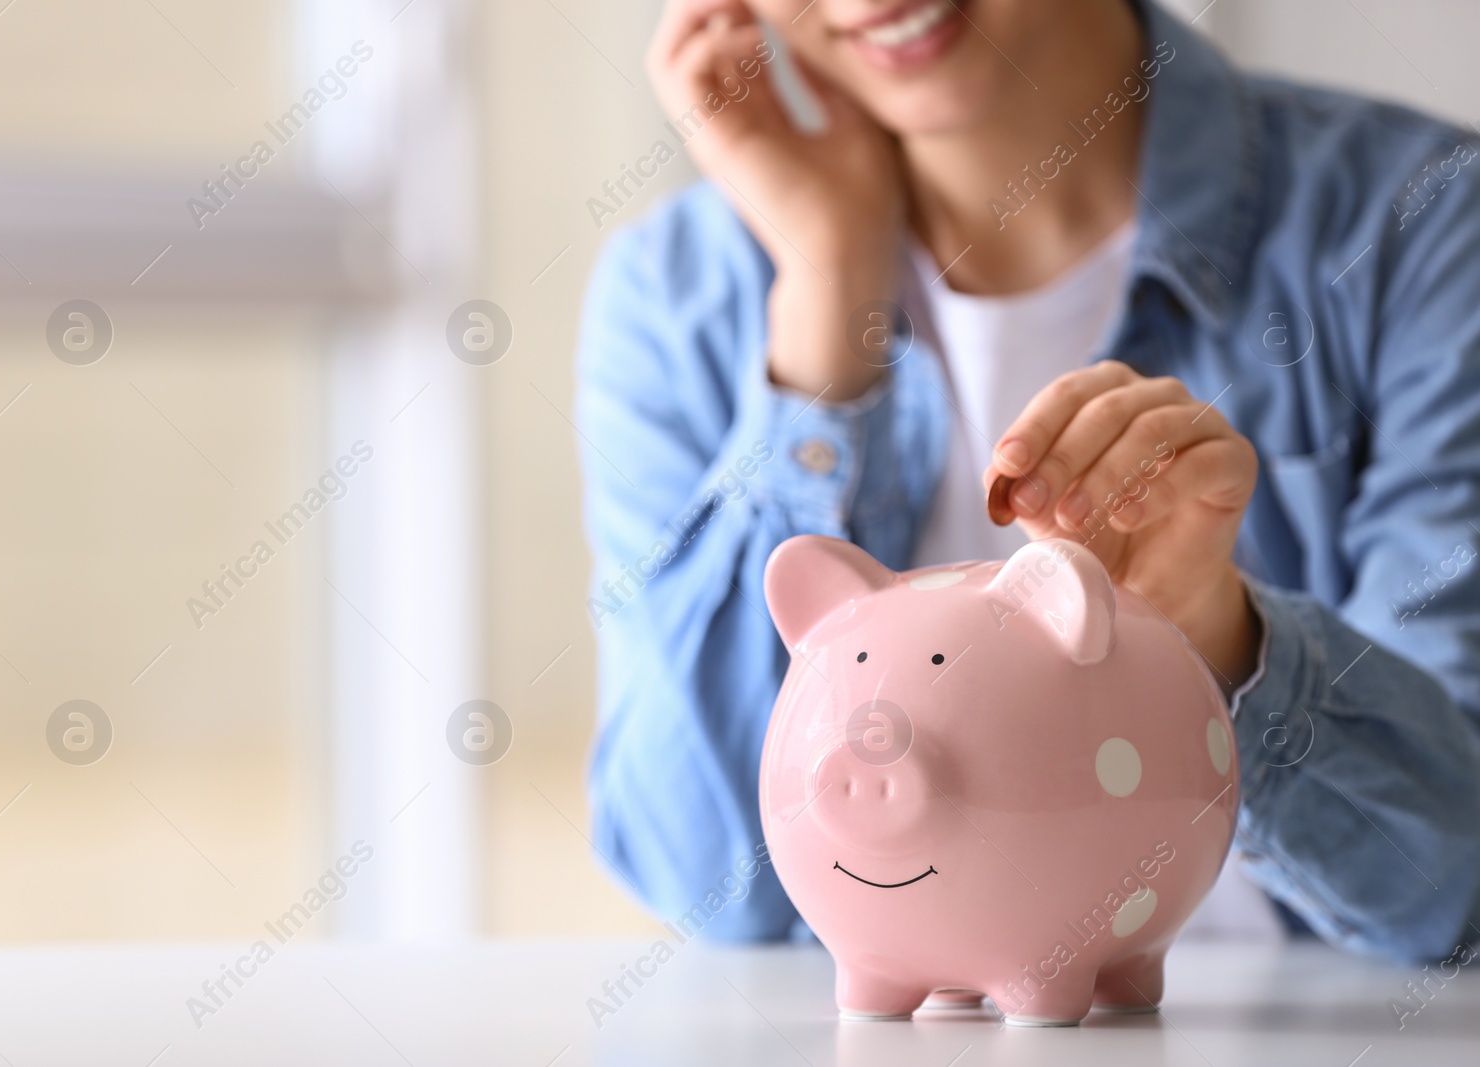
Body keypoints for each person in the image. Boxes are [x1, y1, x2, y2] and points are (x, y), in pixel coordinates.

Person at [576, 0, 1480, 962]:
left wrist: (1223, 633)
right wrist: (827, 297)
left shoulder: (1424, 228)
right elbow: (704, 885)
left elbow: (1452, 881)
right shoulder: (674, 296)